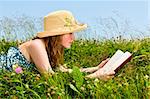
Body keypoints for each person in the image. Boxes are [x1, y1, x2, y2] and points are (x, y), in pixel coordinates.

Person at [0, 10, 115, 80]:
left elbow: (63, 71)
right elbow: (51, 78)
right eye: (69, 33)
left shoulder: (50, 48)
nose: (73, 38)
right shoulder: (37, 45)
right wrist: (95, 77)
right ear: (57, 34)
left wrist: (96, 68)